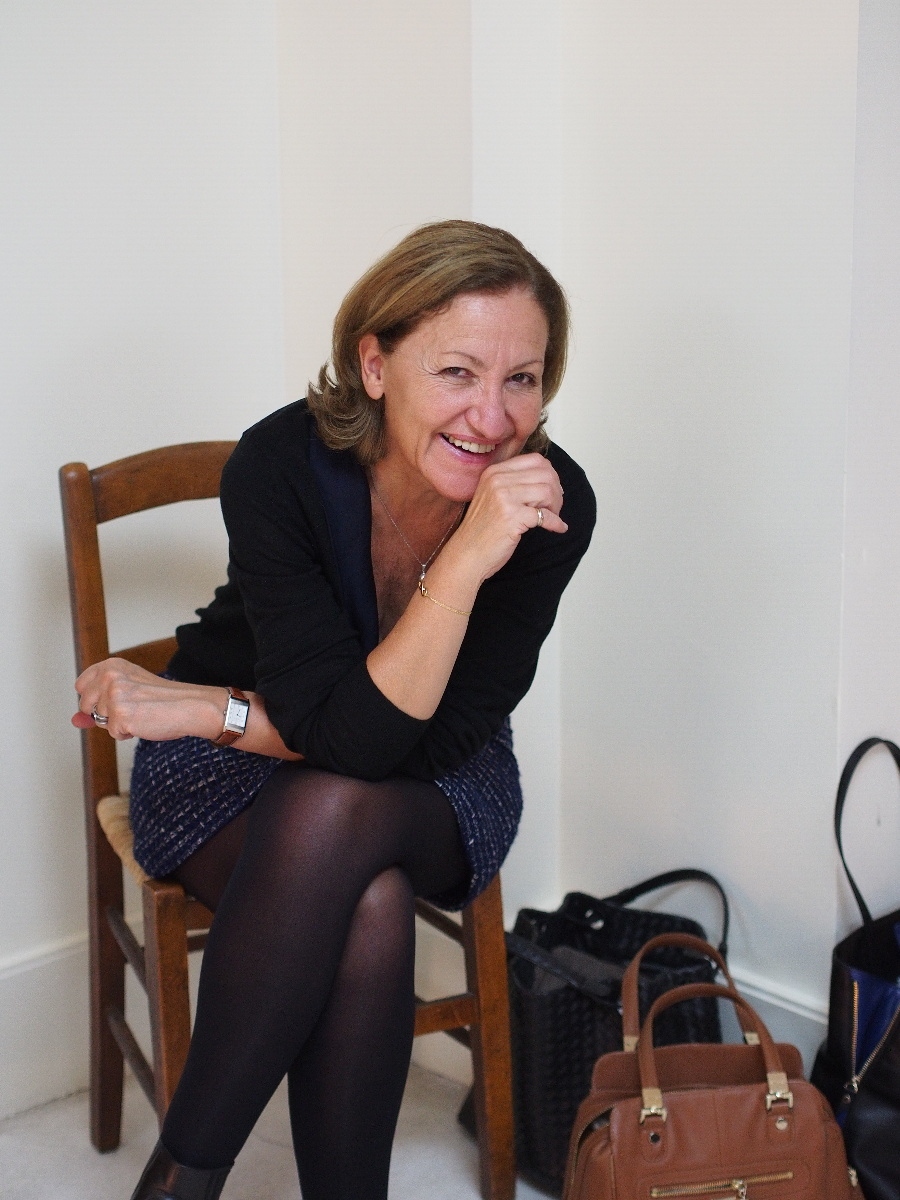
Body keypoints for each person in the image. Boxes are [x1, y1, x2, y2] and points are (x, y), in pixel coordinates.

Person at [73, 220, 596, 1200]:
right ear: (374, 364)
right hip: (227, 778)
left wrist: (210, 710)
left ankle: (177, 1184)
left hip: (439, 778)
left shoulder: (546, 506)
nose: (492, 417)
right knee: (369, 899)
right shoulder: (278, 464)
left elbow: (395, 747)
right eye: (457, 372)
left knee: (338, 802)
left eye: (522, 379)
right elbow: (339, 730)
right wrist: (231, 729)